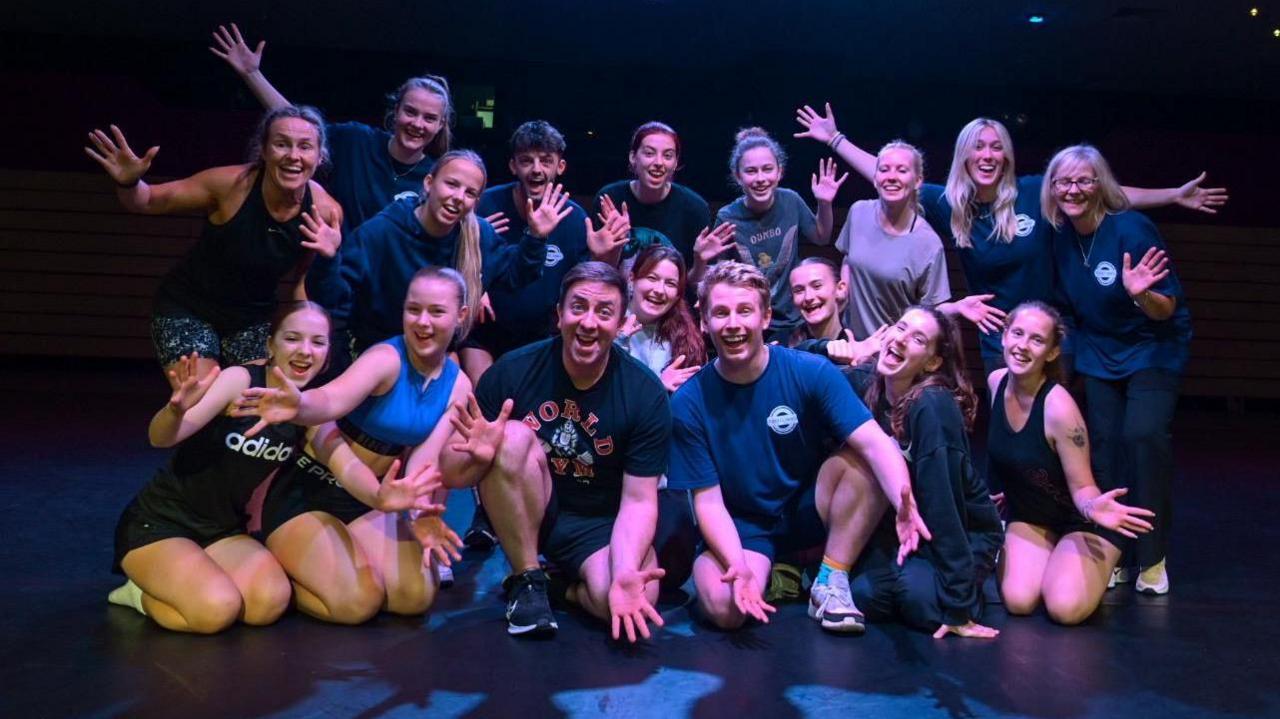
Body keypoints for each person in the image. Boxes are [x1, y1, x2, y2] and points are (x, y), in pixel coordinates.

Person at [795, 104, 1226, 373]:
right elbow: (889, 175)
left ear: (1005, 154)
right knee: (1009, 421)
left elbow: (1106, 193)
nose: (987, 155)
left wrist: (1172, 195)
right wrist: (835, 139)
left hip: (1053, 327)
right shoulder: (949, 203)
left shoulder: (1037, 192)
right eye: (978, 147)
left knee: (1053, 423)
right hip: (996, 332)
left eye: (995, 146)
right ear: (965, 155)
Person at [667, 261, 930, 634]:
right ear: (705, 322)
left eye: (745, 311)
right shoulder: (689, 403)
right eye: (721, 313)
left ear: (766, 316)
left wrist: (905, 502)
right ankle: (775, 574)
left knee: (866, 459)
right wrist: (737, 563)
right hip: (743, 524)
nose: (733, 324)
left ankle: (829, 579)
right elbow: (707, 502)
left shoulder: (810, 372)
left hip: (808, 511)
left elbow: (875, 443)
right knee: (725, 610)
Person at [441, 262, 671, 642]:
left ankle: (559, 586)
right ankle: (527, 578)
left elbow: (639, 501)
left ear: (620, 324)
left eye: (604, 312)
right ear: (559, 313)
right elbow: (451, 473)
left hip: (600, 523)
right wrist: (479, 457)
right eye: (578, 307)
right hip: (533, 510)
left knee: (635, 597)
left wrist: (627, 567)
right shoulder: (512, 372)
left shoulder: (644, 393)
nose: (589, 322)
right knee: (513, 435)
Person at [231, 268, 470, 623]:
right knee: (359, 603)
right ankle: (285, 576)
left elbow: (423, 462)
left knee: (415, 597)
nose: (422, 322)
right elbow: (331, 399)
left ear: (460, 316)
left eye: (436, 312)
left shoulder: (458, 386)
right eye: (413, 309)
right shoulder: (386, 359)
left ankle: (329, 564)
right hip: (310, 491)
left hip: (367, 500)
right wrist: (301, 405)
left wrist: (417, 514)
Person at [108, 302, 332, 633]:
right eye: (293, 338)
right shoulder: (240, 380)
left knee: (267, 604)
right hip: (161, 522)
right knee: (215, 611)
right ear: (270, 345)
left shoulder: (308, 409)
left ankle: (194, 576)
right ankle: (139, 592)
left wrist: (384, 495)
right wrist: (175, 411)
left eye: (318, 342)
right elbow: (162, 438)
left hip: (221, 528)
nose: (305, 351)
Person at [460, 120, 629, 552]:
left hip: (540, 341)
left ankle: (530, 517)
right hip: (488, 335)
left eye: (546, 160)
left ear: (560, 166)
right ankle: (483, 512)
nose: (536, 168)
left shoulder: (572, 218)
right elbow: (460, 255)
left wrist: (602, 253)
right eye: (527, 160)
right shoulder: (489, 205)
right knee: (488, 412)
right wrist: (474, 283)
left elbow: (583, 281)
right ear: (513, 165)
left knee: (530, 429)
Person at [84, 109, 343, 384]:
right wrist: (129, 182)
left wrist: (301, 333)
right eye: (281, 144)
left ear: (319, 156)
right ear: (264, 151)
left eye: (305, 147)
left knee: (251, 402)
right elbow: (147, 200)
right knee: (201, 395)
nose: (293, 156)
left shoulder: (325, 212)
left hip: (252, 318)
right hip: (188, 307)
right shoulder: (228, 185)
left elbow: (301, 284)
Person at [1042, 144, 1190, 595]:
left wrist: (1140, 293)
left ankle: (1153, 554)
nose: (1074, 189)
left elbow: (1165, 310)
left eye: (1084, 180)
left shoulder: (1131, 229)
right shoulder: (1060, 237)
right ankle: (1117, 549)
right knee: (1103, 448)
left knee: (1142, 437)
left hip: (1151, 347)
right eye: (1064, 181)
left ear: (1101, 185)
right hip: (1100, 351)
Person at [988, 301, 1156, 623]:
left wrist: (1094, 508)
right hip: (1031, 515)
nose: (1023, 346)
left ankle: (1103, 556)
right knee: (1018, 601)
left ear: (1051, 353)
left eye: (1037, 340)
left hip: (1080, 519)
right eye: (1017, 333)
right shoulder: (996, 383)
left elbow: (1082, 485)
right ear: (1004, 336)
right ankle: (1054, 559)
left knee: (1064, 608)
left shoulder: (1058, 408)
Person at [848, 307, 1003, 638]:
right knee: (865, 596)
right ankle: (911, 574)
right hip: (902, 533)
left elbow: (944, 504)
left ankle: (963, 589)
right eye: (900, 327)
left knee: (921, 604)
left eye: (917, 338)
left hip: (959, 530)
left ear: (932, 363)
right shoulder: (870, 385)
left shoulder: (932, 407)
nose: (901, 339)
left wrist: (958, 604)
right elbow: (807, 369)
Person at [210, 23, 451, 233]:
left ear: (440, 125)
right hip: (336, 277)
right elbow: (298, 126)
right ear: (396, 111)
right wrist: (253, 75)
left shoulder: (436, 177)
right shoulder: (355, 141)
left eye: (429, 118)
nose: (417, 124)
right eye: (410, 112)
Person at [308, 150, 544, 354]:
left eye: (470, 192)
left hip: (437, 356)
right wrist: (328, 260)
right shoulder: (383, 231)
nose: (458, 197)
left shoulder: (478, 234)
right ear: (429, 183)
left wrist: (535, 237)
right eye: (451, 184)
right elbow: (335, 301)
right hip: (381, 353)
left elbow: (514, 276)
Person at [614, 244, 706, 590]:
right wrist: (656, 387)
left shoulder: (681, 338)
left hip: (657, 470)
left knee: (673, 569)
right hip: (606, 462)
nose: (659, 290)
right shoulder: (609, 325)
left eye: (670, 283)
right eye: (652, 278)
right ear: (632, 278)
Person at [715, 128, 847, 343]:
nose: (761, 178)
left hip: (797, 318)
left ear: (779, 171)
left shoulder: (790, 201)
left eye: (767, 169)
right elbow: (719, 275)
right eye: (751, 171)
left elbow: (821, 237)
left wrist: (824, 203)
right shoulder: (728, 216)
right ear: (738, 176)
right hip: (754, 321)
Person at [592, 121, 735, 276]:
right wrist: (607, 252)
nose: (659, 163)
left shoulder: (694, 208)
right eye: (649, 153)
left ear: (675, 163)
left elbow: (694, 287)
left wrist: (699, 261)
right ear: (633, 157)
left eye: (667, 156)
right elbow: (599, 276)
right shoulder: (610, 199)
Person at [788, 257, 885, 366]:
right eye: (799, 290)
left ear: (840, 289)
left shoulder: (858, 349)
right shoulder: (782, 345)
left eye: (817, 286)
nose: (808, 297)